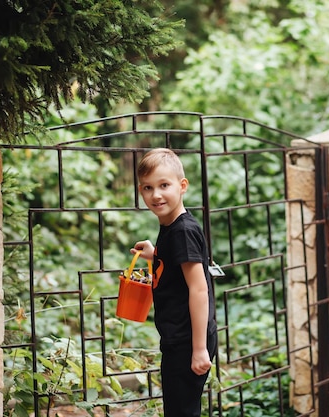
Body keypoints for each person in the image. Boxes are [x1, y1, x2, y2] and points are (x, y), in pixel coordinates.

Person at [130, 148, 217, 417]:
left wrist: (199, 349)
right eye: (147, 187)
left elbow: (198, 288)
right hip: (178, 337)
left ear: (182, 186)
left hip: (187, 340)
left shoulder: (183, 231)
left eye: (164, 185)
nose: (155, 195)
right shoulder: (172, 226)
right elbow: (180, 268)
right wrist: (155, 253)